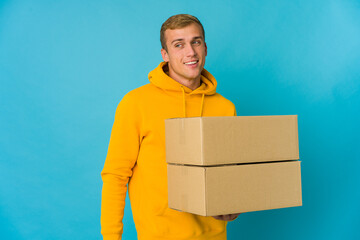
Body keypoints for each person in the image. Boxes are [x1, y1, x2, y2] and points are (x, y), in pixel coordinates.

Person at [101, 14, 240, 240]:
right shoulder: (136, 103)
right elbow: (115, 176)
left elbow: (229, 176)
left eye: (196, 42)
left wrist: (232, 207)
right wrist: (111, 237)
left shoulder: (225, 108)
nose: (190, 52)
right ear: (165, 55)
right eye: (179, 45)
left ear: (205, 47)